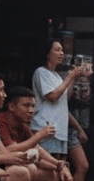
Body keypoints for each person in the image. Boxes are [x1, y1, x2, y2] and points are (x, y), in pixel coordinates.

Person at [31, 40, 84, 168]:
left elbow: (64, 98)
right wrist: (70, 77)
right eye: (57, 50)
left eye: (62, 50)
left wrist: (74, 78)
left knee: (58, 169)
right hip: (46, 128)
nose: (62, 53)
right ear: (47, 54)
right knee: (48, 169)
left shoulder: (56, 76)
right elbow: (53, 96)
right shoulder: (41, 72)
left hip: (59, 130)